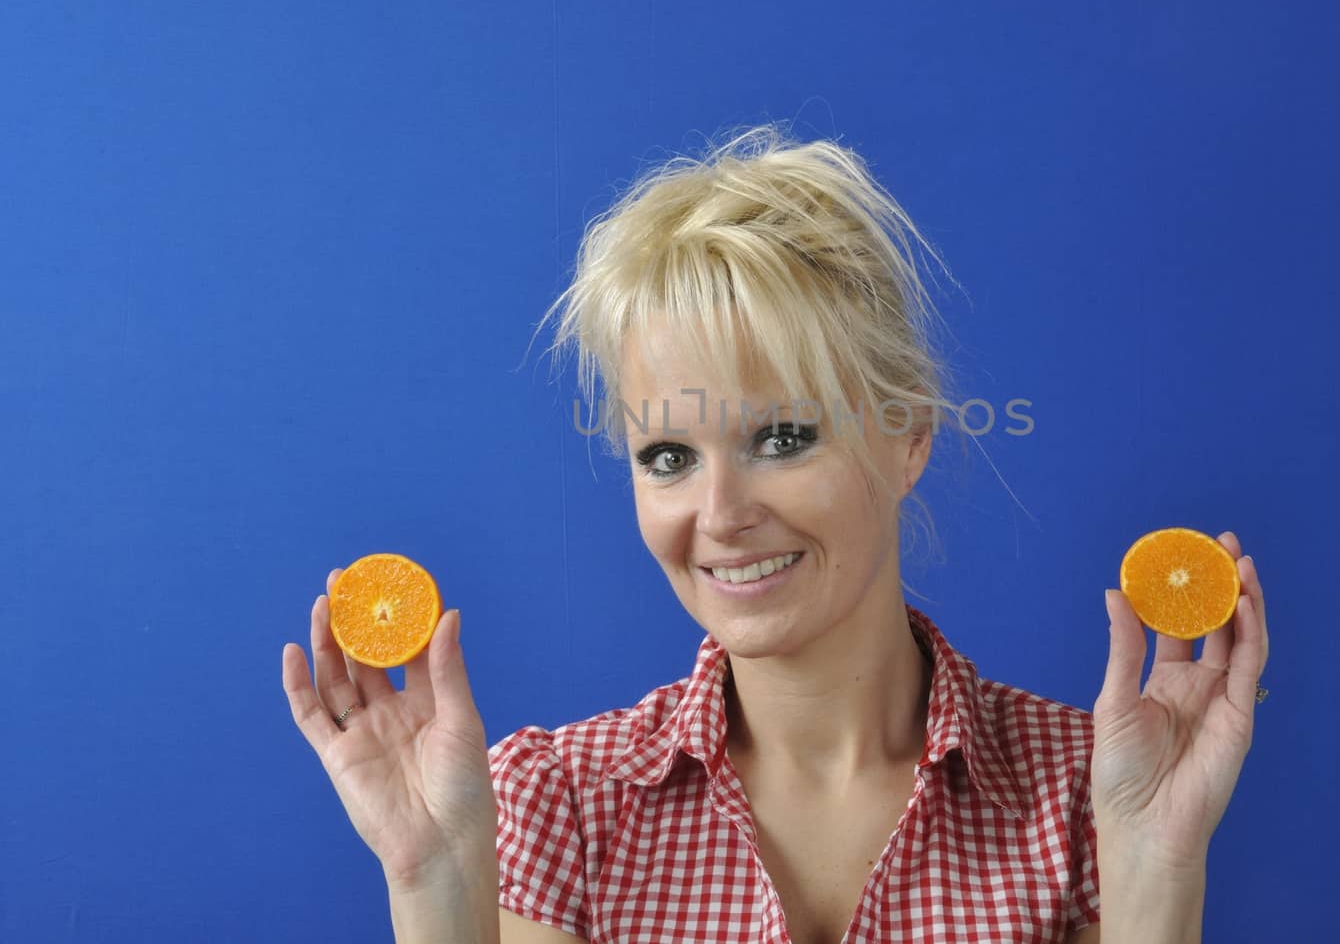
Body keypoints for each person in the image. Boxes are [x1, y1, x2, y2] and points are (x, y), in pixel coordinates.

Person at [282, 124, 1271, 944]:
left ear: (908, 435)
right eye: (667, 454)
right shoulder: (549, 805)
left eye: (782, 436)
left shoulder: (1087, 794)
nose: (717, 514)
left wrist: (1156, 864)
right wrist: (433, 884)